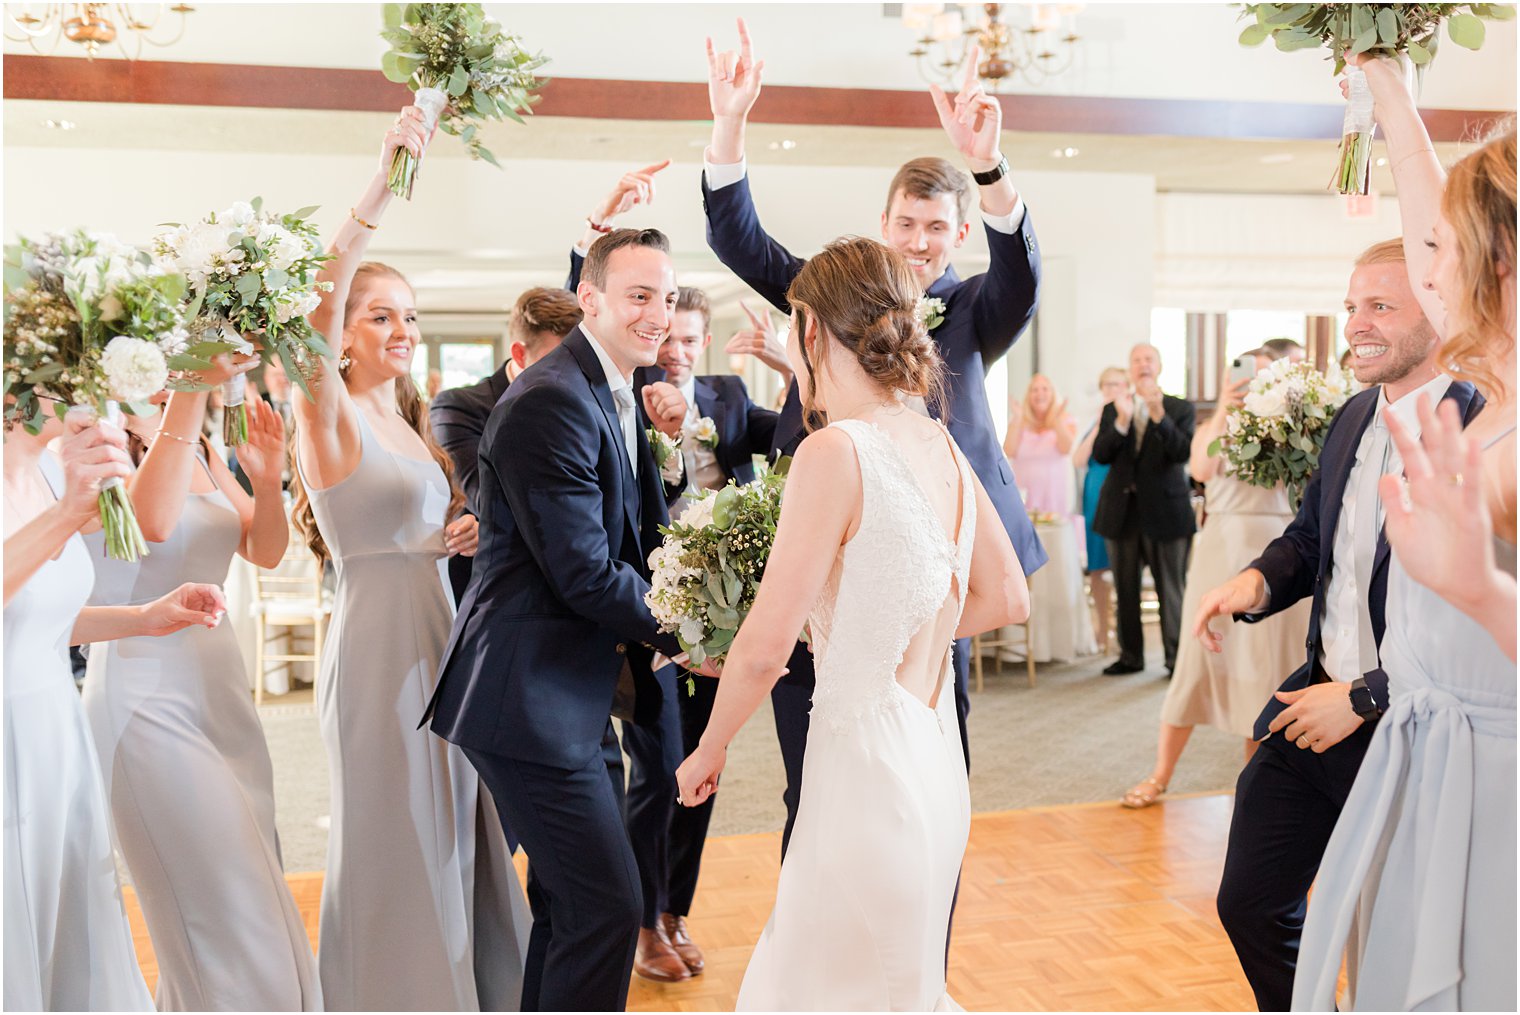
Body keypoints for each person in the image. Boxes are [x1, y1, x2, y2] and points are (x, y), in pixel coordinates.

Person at [702, 20, 1043, 852]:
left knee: (929, 779)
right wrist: (730, 121)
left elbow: (1023, 274)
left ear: (960, 234)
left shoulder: (972, 312)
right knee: (810, 781)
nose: (920, 243)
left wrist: (989, 168)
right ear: (883, 223)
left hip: (927, 584)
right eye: (906, 224)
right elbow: (738, 238)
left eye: (936, 227)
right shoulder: (833, 292)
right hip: (823, 571)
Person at [675, 237, 1028, 1009]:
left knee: (820, 987)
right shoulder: (939, 440)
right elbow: (1007, 598)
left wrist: (707, 748)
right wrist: (875, 632)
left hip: (864, 776)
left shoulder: (833, 451)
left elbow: (766, 646)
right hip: (933, 760)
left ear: (808, 332)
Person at [1195, 238, 1485, 1012]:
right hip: (1311, 706)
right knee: (1249, 901)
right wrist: (1253, 582)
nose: (1356, 323)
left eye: (1380, 306)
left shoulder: (1487, 428)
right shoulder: (1353, 414)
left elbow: (1484, 616)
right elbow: (1312, 539)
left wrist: (1365, 697)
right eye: (1352, 304)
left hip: (1417, 727)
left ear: (1441, 311)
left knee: (1399, 936)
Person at [288, 105, 530, 1011]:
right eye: (378, 314)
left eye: (409, 315)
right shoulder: (331, 414)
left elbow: (421, 524)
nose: (399, 328)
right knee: (396, 832)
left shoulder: (410, 420)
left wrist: (456, 531)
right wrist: (383, 184)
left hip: (444, 633)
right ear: (342, 334)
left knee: (457, 827)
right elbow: (317, 297)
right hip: (381, 648)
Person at [1291, 62, 1515, 1011]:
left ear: (1498, 262)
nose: (1430, 268)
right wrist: (1389, 94)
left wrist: (1478, 590)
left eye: (1445, 248)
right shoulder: (1498, 389)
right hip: (1430, 753)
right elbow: (1426, 207)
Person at [425, 227, 693, 1013]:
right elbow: (582, 571)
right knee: (607, 906)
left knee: (577, 909)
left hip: (566, 692)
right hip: (525, 697)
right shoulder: (552, 400)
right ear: (592, 297)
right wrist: (692, 635)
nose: (658, 315)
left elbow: (635, 537)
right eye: (640, 296)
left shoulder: (609, 389)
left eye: (667, 298)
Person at [82, 372, 320, 1010]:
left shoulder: (203, 448)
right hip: (144, 694)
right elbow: (151, 526)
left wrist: (267, 480)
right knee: (224, 902)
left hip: (221, 691)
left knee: (250, 890)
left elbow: (264, 550)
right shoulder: (99, 436)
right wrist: (190, 392)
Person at [4, 412, 226, 1012]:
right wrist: (68, 515)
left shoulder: (50, 470)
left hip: (56, 723)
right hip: (8, 732)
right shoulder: (60, 489)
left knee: (69, 928)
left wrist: (145, 617)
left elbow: (36, 613)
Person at [621, 285, 779, 982]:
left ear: (704, 343)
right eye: (665, 339)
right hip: (649, 616)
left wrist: (793, 362)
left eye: (688, 339)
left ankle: (674, 910)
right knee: (656, 771)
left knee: (700, 773)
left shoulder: (730, 395)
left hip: (722, 625)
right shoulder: (621, 396)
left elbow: (805, 431)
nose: (675, 353)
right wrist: (666, 434)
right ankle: (640, 918)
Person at [1121, 348, 1311, 809]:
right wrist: (1227, 405)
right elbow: (1200, 470)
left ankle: (1254, 783)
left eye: (1265, 377)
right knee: (1196, 662)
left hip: (1278, 550)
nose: (1252, 383)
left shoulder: (1298, 426)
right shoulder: (1217, 424)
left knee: (1268, 669)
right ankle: (1161, 775)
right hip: (1221, 547)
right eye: (1244, 374)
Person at [431, 286, 582, 605]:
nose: (570, 377)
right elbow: (488, 501)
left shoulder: (588, 406)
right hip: (499, 601)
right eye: (555, 363)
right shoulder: (458, 407)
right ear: (518, 353)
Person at [1090, 343, 1196, 676]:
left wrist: (1158, 417)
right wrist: (1121, 422)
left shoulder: (1179, 408)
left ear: (1160, 366)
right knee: (1125, 587)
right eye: (1136, 360)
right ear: (1130, 369)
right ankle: (1130, 656)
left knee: (1171, 588)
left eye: (1148, 359)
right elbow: (1101, 454)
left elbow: (1181, 453)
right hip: (1122, 512)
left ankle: (1175, 658)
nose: (1143, 365)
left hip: (1166, 511)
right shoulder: (1113, 409)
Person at [1072, 366, 1128, 653]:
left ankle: (1123, 631)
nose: (1111, 390)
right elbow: (1079, 460)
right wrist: (1097, 426)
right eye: (1107, 385)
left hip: (1122, 498)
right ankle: (1102, 630)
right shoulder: (1095, 423)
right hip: (1096, 497)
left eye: (1117, 384)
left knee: (1122, 567)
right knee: (1097, 568)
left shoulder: (1128, 419)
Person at [1003, 372, 1077, 515]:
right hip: (1024, 497)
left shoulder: (1065, 420)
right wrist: (1017, 419)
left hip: (1055, 498)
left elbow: (1066, 448)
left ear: (1052, 394)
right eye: (1034, 390)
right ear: (1029, 396)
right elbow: (1009, 451)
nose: (1039, 393)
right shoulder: (1019, 422)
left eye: (1045, 389)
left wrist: (1056, 421)